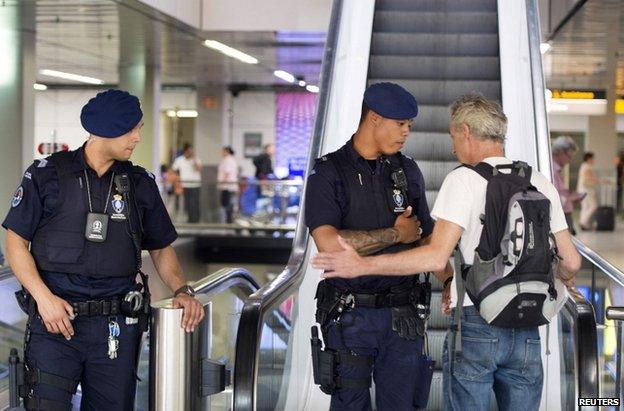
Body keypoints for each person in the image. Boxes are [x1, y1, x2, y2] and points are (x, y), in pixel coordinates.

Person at [312, 94, 582, 411]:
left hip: (476, 322)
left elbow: (434, 257)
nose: (453, 147)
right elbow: (572, 261)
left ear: (465, 131)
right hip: (528, 328)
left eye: (453, 136)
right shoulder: (539, 181)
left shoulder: (463, 179)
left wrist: (361, 265)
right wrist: (563, 279)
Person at [3, 89, 205, 410]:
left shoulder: (139, 183)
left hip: (115, 326)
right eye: (132, 129)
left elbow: (161, 247)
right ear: (108, 129)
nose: (138, 137)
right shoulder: (46, 174)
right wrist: (43, 298)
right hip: (55, 321)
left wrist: (182, 289)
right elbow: (15, 242)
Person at [305, 82, 453, 410]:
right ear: (374, 118)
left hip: (404, 316)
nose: (406, 133)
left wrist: (449, 280)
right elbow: (329, 244)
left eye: (410, 126)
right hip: (350, 315)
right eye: (400, 124)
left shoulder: (407, 170)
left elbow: (427, 237)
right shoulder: (329, 171)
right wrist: (396, 235)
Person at [551, 135, 582, 235]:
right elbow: (553, 199)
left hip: (564, 216)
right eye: (569, 157)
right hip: (560, 218)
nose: (569, 161)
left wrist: (569, 195)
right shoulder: (551, 171)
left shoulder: (557, 171)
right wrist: (570, 198)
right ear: (560, 152)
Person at [172, 143, 202, 223]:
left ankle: (196, 220)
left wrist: (194, 159)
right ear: (185, 151)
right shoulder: (179, 160)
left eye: (191, 151)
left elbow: (199, 169)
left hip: (196, 185)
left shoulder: (196, 159)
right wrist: (177, 179)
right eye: (188, 151)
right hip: (185, 185)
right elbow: (174, 169)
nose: (190, 152)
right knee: (188, 204)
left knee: (195, 204)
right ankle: (190, 220)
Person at [217, 146, 239, 224]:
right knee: (229, 204)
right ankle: (228, 220)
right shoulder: (231, 160)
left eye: (223, 151)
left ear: (227, 151)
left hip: (227, 186)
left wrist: (222, 184)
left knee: (227, 204)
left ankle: (228, 221)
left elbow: (227, 172)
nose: (222, 153)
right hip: (230, 186)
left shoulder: (228, 160)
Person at [577, 152, 599, 230]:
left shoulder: (583, 166)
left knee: (585, 207)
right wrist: (599, 180)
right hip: (586, 190)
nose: (593, 160)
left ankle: (584, 224)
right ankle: (583, 222)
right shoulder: (587, 167)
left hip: (582, 189)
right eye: (592, 158)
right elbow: (589, 178)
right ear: (589, 159)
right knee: (593, 206)